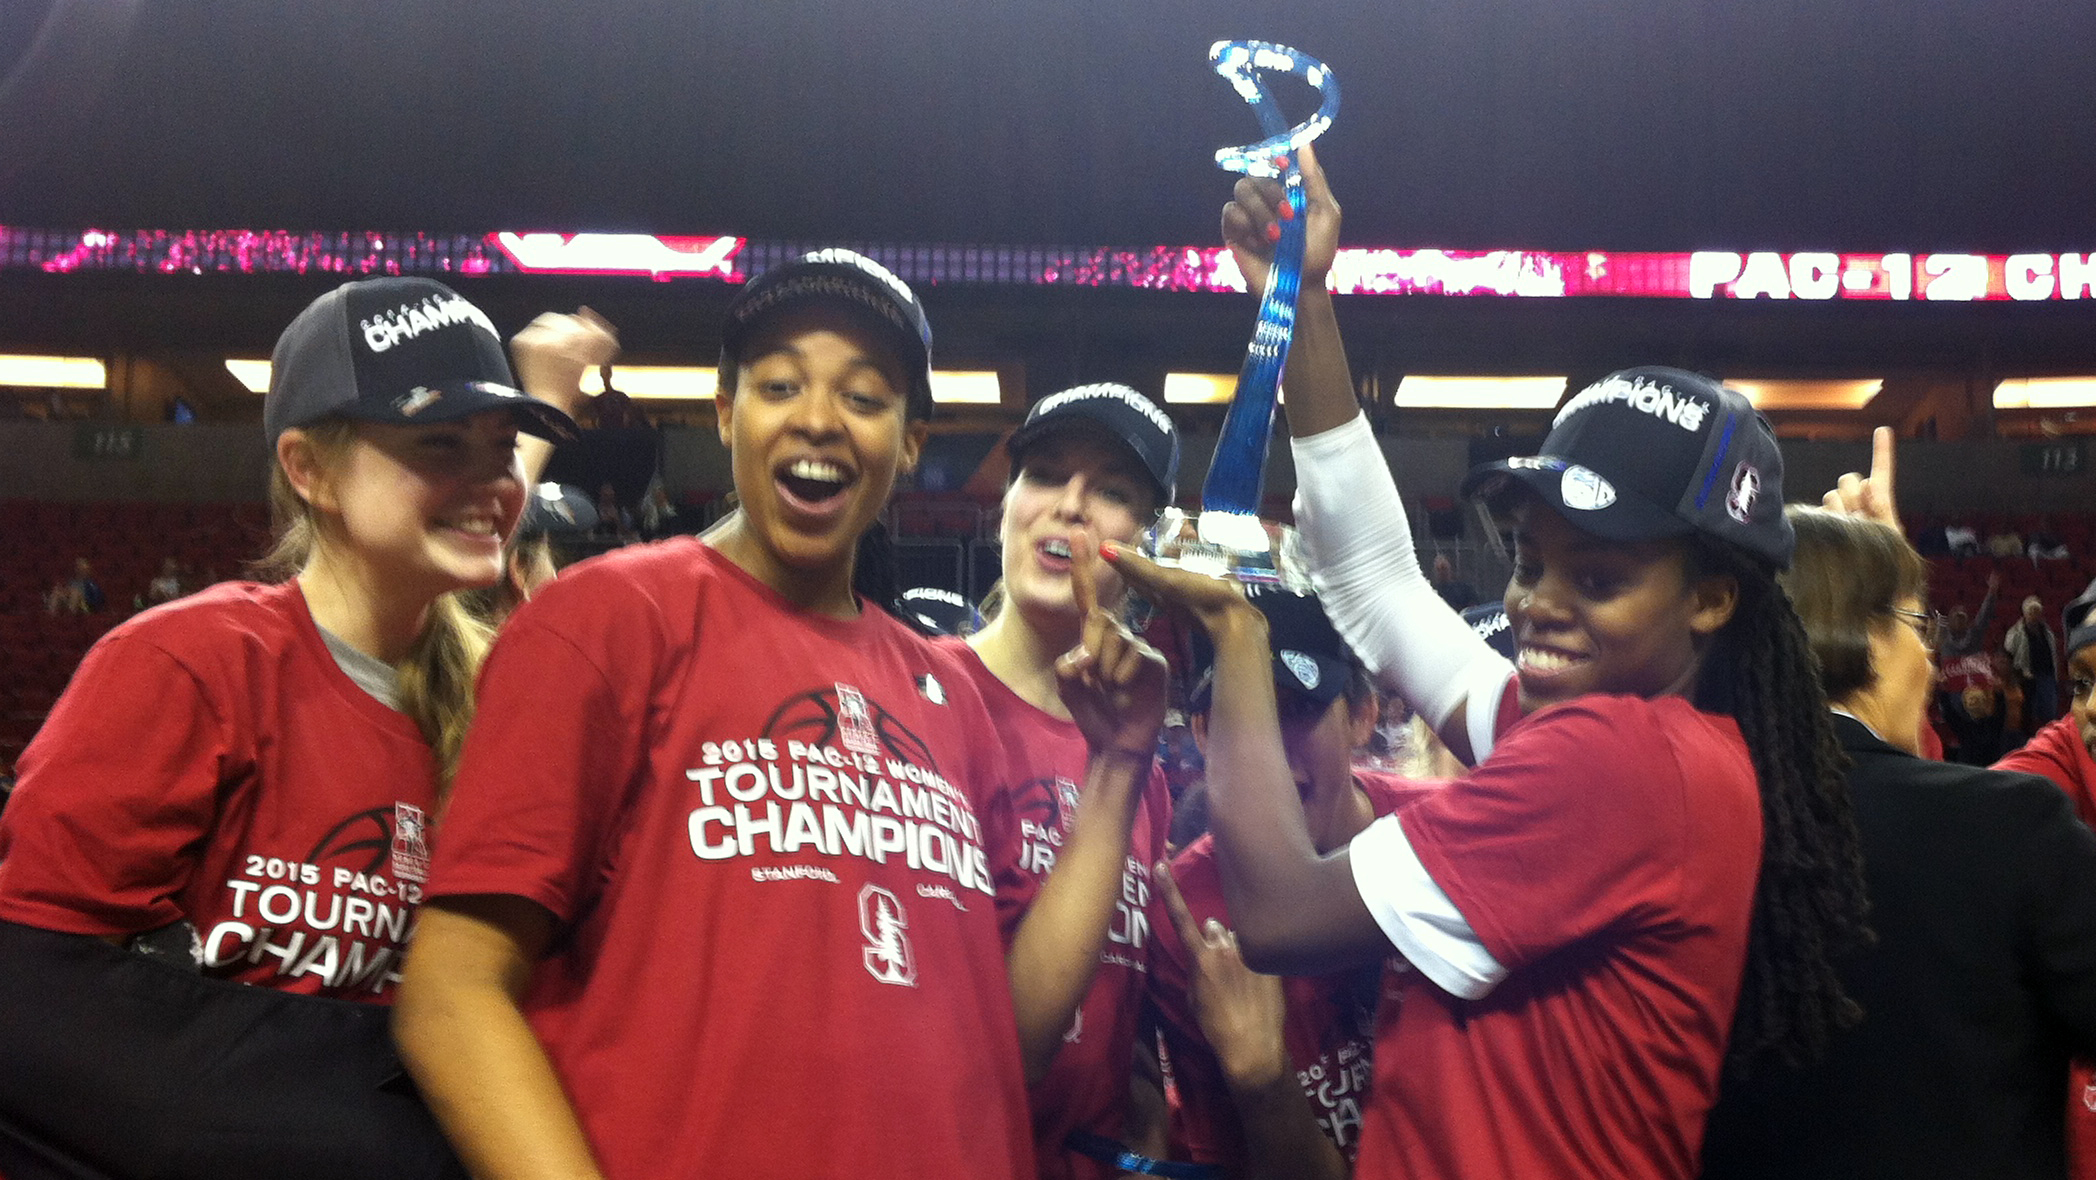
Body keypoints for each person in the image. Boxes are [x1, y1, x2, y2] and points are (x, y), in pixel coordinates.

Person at [1099, 145, 1870, 1180]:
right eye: (1531, 561)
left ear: (1710, 597)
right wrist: (1304, 302)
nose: (1536, 604)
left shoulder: (1615, 759)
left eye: (1595, 578)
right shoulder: (1657, 747)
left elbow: (1277, 915)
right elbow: (1376, 585)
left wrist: (1237, 636)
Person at [394, 250, 1138, 1180]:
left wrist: (1121, 764)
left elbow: (1012, 1037)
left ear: (909, 443)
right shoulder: (605, 620)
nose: (819, 418)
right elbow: (452, 992)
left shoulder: (943, 696)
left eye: (866, 397)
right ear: (723, 414)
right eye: (779, 384)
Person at [0, 276, 579, 1179]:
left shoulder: (500, 695)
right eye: (438, 444)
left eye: (502, 450)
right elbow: (38, 1001)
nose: (491, 485)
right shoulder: (187, 665)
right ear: (308, 469)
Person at [1698, 507, 2096, 1179]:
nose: (1932, 659)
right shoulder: (2011, 825)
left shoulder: (1680, 822)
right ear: (1868, 636)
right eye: (1920, 626)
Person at [944, 382, 1179, 1178]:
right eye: (1044, 474)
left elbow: (1119, 1005)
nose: (1070, 506)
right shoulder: (916, 695)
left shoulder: (1139, 760)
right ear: (1006, 504)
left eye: (1112, 492)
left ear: (1151, 545)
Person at [1151, 585, 1440, 1179]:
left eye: (1297, 709)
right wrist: (1262, 1082)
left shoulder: (1444, 833)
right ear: (1203, 735)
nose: (1268, 754)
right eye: (1236, 716)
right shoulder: (1184, 914)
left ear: (1362, 717)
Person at [2008, 594, 2064, 728]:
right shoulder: (2015, 633)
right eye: (2031, 611)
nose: (2034, 614)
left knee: (2049, 713)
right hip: (2027, 678)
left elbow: (2053, 653)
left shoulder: (2047, 632)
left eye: (2037, 611)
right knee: (2029, 714)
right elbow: (2009, 655)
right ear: (2025, 613)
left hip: (2047, 676)